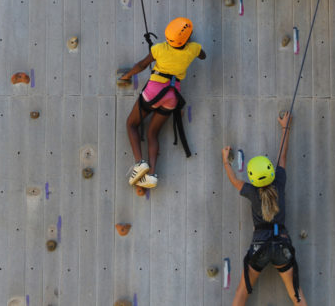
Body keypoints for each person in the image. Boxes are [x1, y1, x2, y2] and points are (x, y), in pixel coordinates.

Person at [222, 112, 307, 306]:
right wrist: (286, 126)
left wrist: (225, 160)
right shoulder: (279, 181)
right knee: (296, 294)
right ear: (270, 170)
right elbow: (282, 156)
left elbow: (234, 180)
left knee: (241, 293)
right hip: (281, 244)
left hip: (259, 246)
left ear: (253, 177)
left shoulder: (251, 191)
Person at [121, 17, 206, 189]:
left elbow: (142, 65)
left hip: (154, 91)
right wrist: (191, 46)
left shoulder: (158, 49)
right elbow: (203, 56)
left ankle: (139, 163)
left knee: (131, 124)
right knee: (153, 134)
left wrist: (127, 76)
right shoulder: (194, 49)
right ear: (187, 38)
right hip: (172, 95)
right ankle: (151, 175)